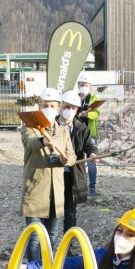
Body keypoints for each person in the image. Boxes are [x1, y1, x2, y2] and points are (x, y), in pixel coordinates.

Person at [20, 88, 74, 263]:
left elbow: (72, 156)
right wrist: (43, 141)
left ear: (58, 108)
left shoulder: (63, 131)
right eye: (45, 105)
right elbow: (30, 144)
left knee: (51, 234)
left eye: (52, 106)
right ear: (39, 106)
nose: (48, 108)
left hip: (56, 192)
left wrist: (66, 160)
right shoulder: (30, 128)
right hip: (36, 189)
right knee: (35, 235)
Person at [60, 90, 98, 232]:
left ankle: (68, 246)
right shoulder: (51, 126)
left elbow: (90, 145)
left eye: (73, 108)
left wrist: (93, 153)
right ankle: (48, 246)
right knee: (52, 213)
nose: (69, 111)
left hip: (72, 175)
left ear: (77, 110)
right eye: (66, 107)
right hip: (54, 175)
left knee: (70, 213)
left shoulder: (81, 128)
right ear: (61, 106)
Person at [76, 75, 101, 197]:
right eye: (82, 85)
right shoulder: (75, 98)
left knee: (91, 161)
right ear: (78, 86)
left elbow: (96, 113)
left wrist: (86, 115)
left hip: (90, 133)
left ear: (90, 87)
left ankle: (92, 189)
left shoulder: (93, 98)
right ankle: (79, 187)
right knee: (77, 161)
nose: (84, 87)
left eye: (86, 85)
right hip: (76, 134)